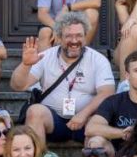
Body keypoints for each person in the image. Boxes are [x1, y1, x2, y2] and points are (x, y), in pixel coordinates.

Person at [11, 12, 115, 145]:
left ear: (85, 37)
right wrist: (25, 65)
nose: (74, 41)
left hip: (87, 121)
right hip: (54, 122)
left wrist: (83, 114)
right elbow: (17, 86)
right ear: (59, 37)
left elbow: (107, 93)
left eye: (79, 36)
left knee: (98, 124)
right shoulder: (45, 56)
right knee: (34, 111)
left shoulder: (98, 59)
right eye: (69, 36)